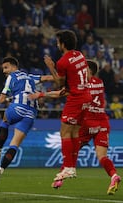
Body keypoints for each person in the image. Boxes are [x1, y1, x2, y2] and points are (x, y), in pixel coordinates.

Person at [30, 60, 121, 194]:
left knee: (71, 148)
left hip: (87, 122)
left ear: (88, 71)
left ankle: (61, 176)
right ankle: (114, 176)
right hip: (102, 122)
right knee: (102, 156)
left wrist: (42, 94)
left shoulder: (81, 85)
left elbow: (60, 92)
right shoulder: (99, 83)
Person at [0, 56, 52, 185]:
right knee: (15, 144)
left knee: (5, 121)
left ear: (13, 67)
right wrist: (60, 77)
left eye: (6, 68)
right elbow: (47, 78)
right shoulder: (30, 76)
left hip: (18, 107)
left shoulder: (11, 77)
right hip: (31, 113)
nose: (4, 71)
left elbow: (1, 99)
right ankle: (0, 169)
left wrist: (8, 98)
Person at [43, 30, 91, 181]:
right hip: (86, 96)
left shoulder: (62, 62)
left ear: (63, 43)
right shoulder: (80, 55)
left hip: (75, 99)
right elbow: (76, 76)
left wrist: (51, 66)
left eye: (58, 42)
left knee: (64, 132)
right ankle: (72, 167)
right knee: (75, 133)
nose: (57, 44)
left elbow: (59, 83)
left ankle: (68, 167)